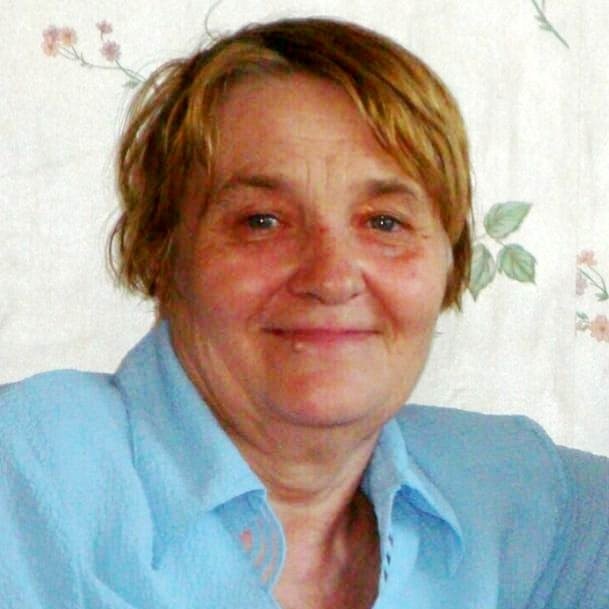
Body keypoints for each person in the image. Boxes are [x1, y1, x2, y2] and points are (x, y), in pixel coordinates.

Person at [0, 16, 608, 609]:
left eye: (384, 222)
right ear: (162, 253)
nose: (331, 278)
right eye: (262, 221)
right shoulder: (28, 479)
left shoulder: (528, 505)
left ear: (450, 263)